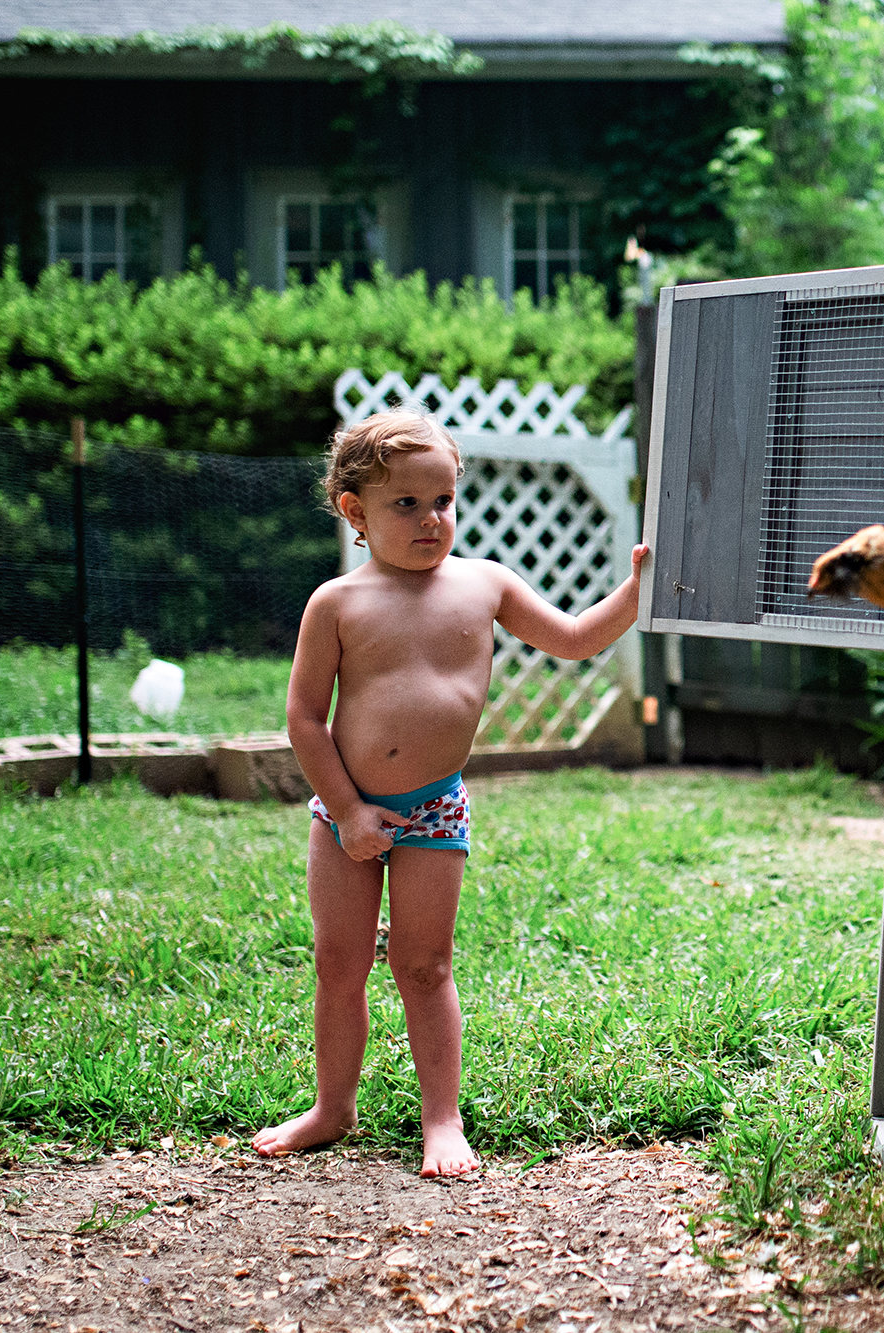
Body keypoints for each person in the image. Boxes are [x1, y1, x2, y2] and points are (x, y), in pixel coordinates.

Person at [253, 411, 648, 1176]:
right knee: (339, 961)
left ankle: (443, 1119)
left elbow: (573, 638)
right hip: (343, 806)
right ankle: (332, 1107)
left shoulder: (485, 584)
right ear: (355, 510)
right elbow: (304, 719)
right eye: (407, 504)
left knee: (424, 963)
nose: (433, 519)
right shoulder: (335, 603)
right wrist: (348, 811)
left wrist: (635, 590)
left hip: (434, 805)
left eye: (444, 500)